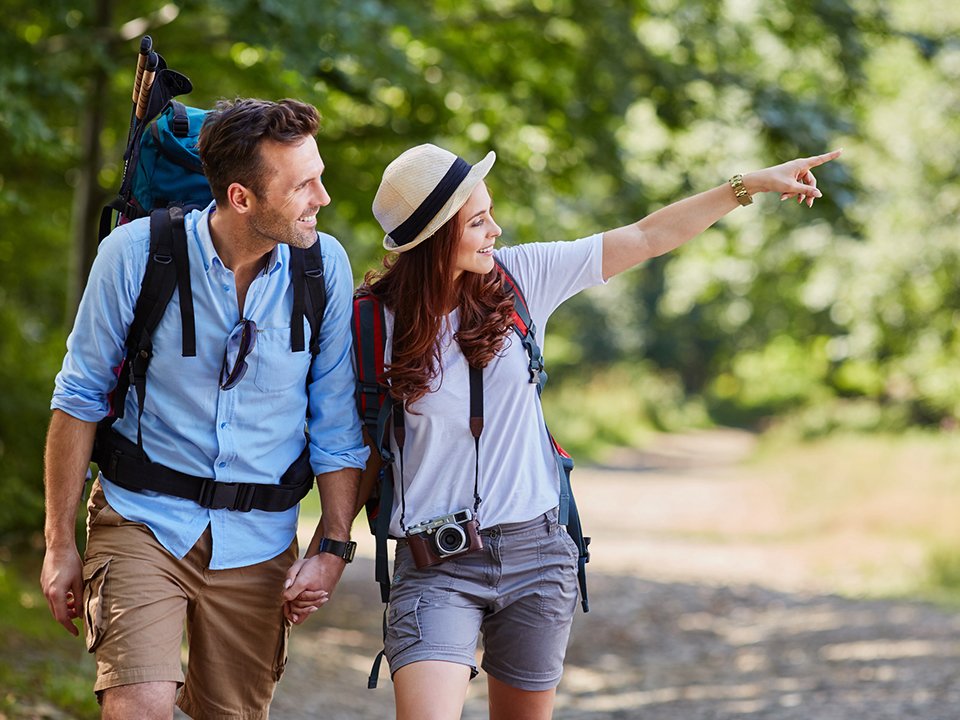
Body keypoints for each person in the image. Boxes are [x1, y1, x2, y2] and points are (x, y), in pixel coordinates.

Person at [285, 142, 842, 719]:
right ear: (433, 237)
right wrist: (332, 546)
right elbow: (358, 446)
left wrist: (745, 186)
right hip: (436, 566)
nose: (495, 230)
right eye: (478, 221)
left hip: (537, 553)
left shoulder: (522, 278)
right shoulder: (369, 322)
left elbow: (647, 237)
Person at [40, 98, 368, 720]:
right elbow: (78, 399)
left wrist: (332, 545)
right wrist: (60, 545)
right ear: (242, 198)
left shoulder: (323, 268)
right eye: (303, 185)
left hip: (259, 538)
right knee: (138, 705)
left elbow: (336, 423)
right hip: (143, 520)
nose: (322, 198)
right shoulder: (135, 255)